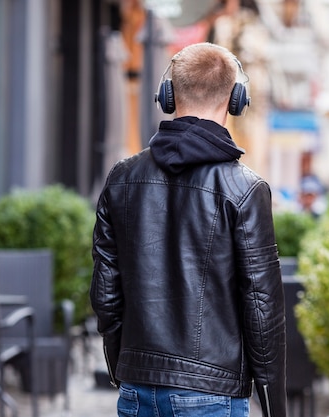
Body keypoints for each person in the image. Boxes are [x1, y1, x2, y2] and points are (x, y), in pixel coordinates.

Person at [90, 42, 287, 417]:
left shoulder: (121, 178)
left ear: (167, 96)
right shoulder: (246, 190)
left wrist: (126, 368)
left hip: (136, 388)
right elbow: (263, 309)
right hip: (212, 393)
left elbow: (105, 294)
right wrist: (275, 406)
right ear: (235, 99)